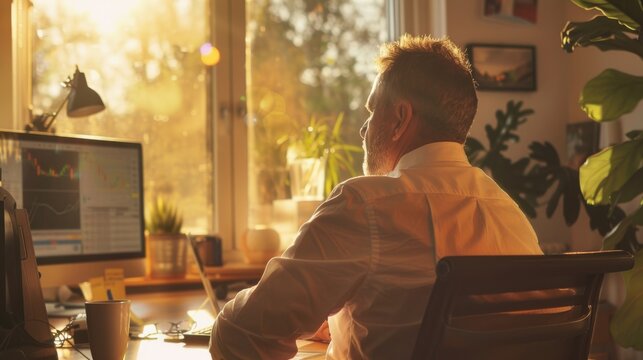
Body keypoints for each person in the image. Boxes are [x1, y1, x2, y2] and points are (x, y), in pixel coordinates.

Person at [209, 34, 542, 359]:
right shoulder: (506, 210)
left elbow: (241, 333)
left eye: (372, 111)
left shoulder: (366, 204)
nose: (363, 129)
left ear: (400, 118)